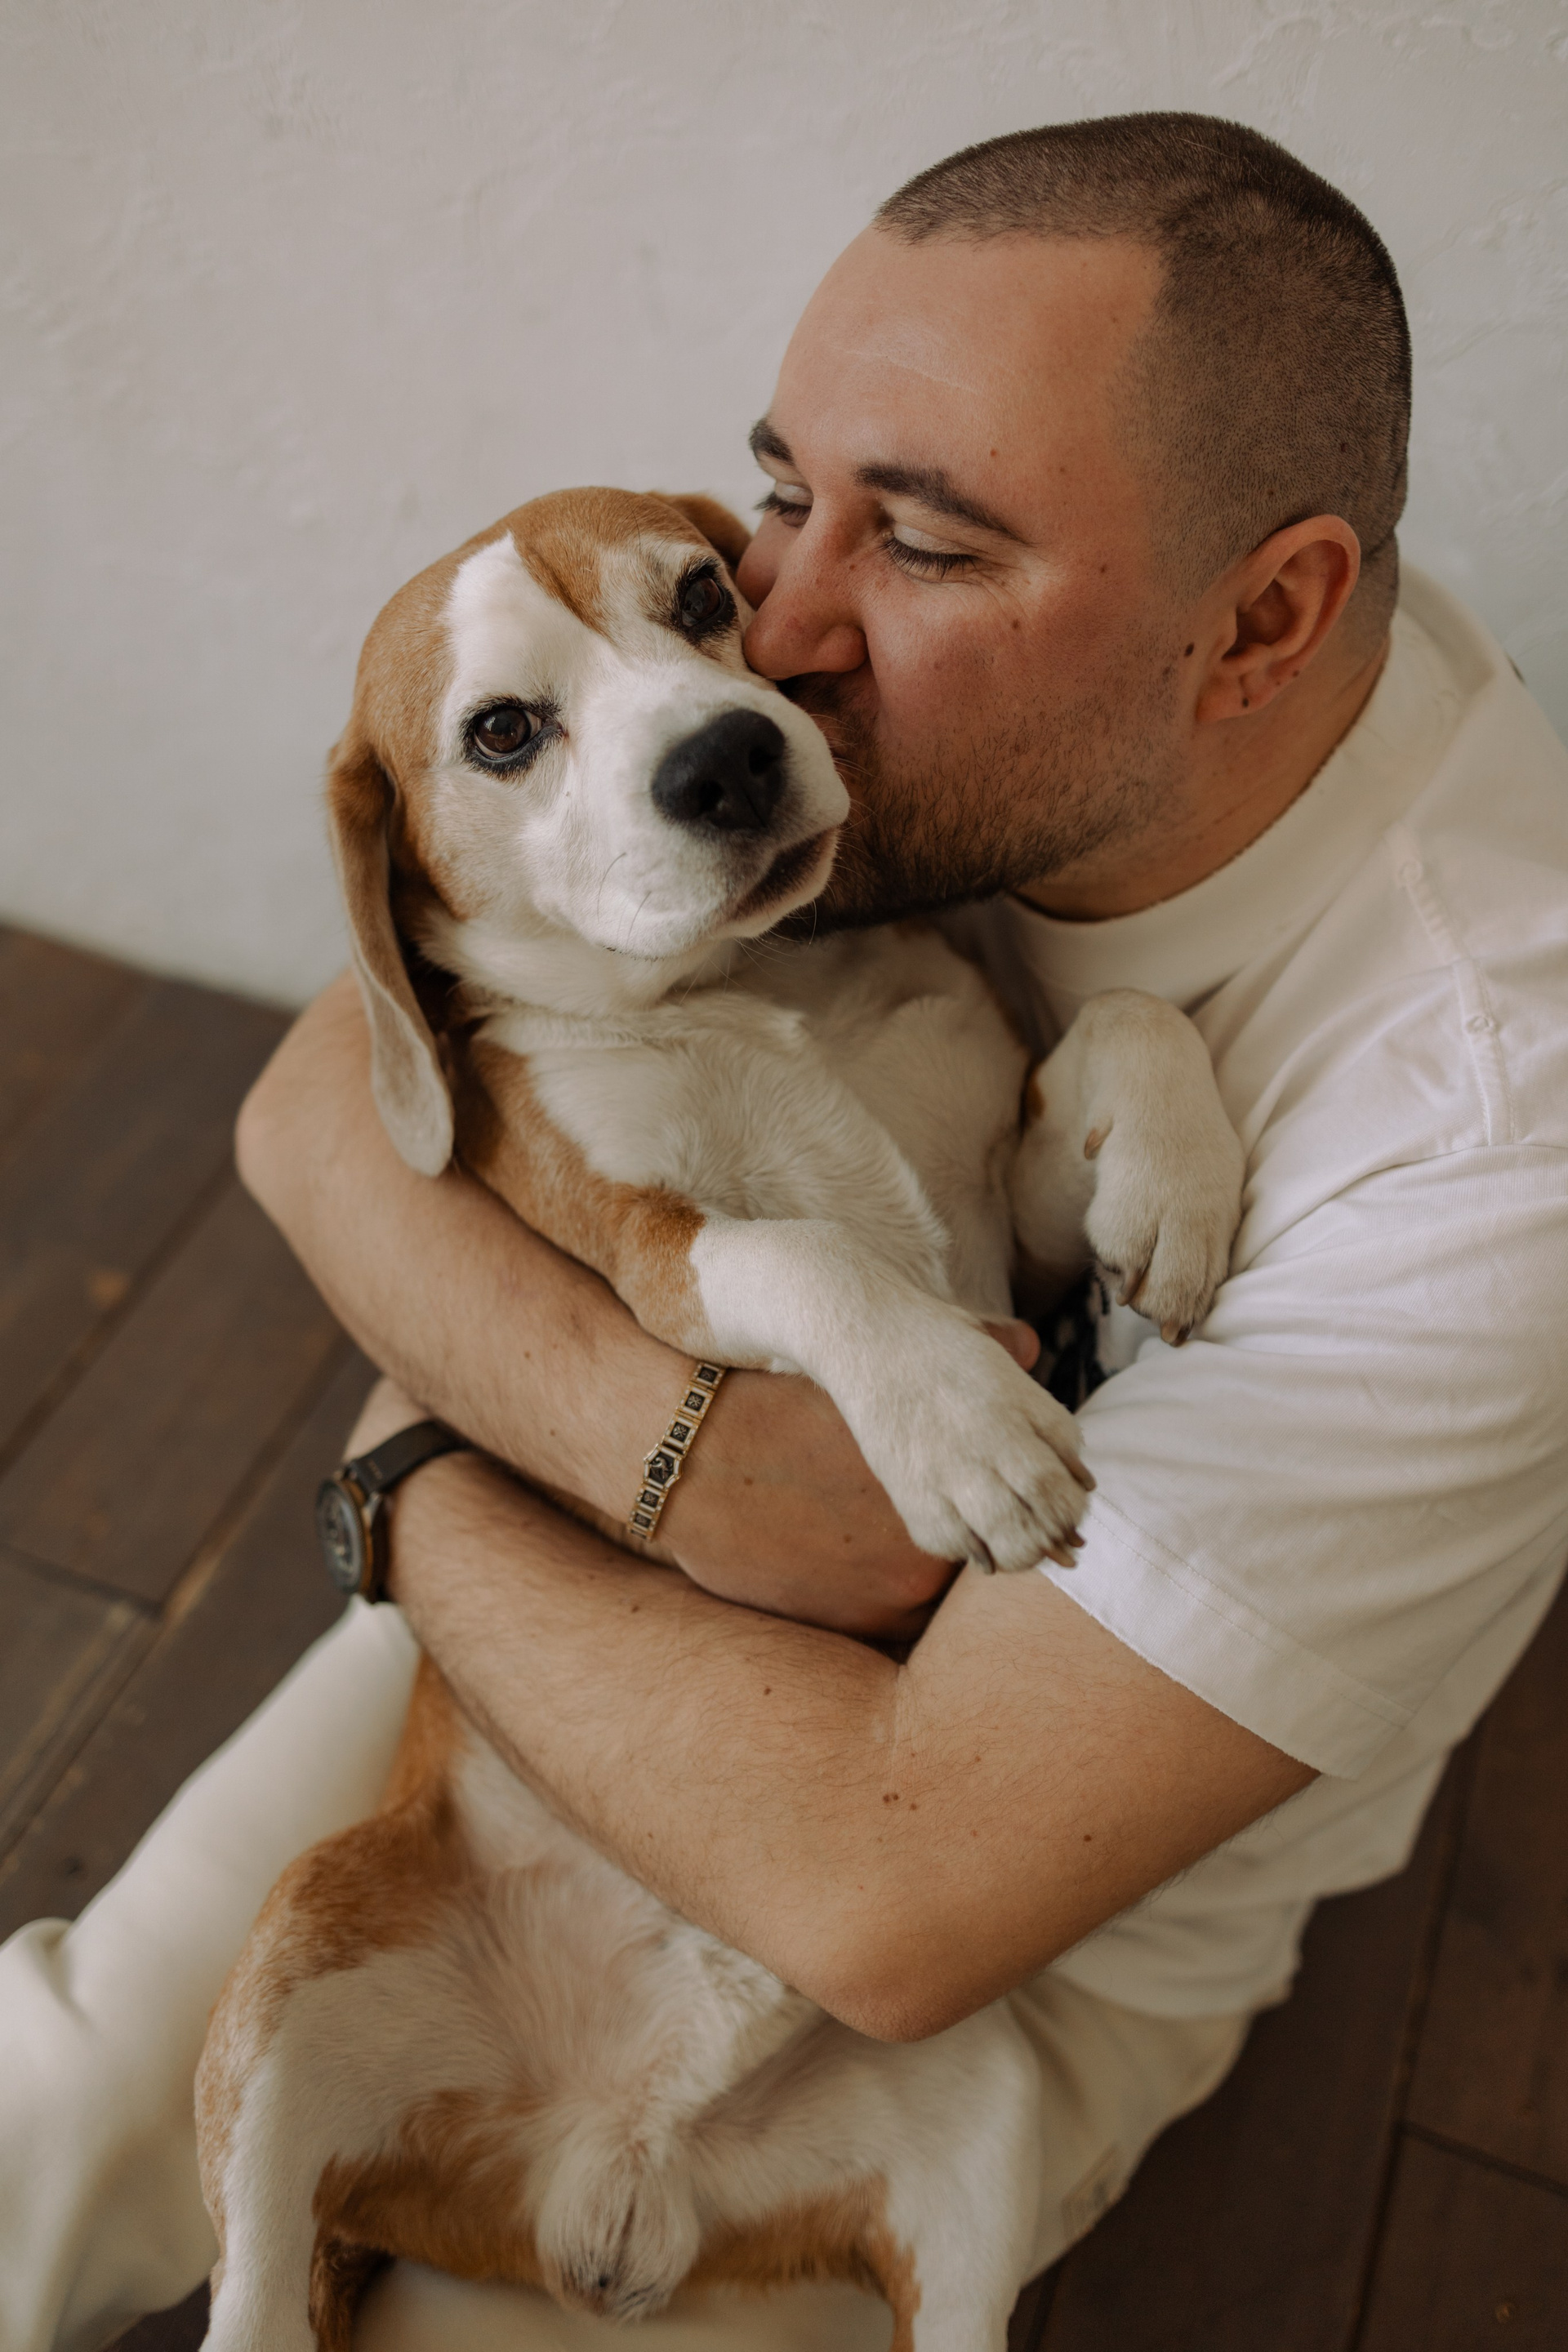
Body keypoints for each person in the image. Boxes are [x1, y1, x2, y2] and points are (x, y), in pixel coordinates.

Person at [5, 110, 1566, 2352]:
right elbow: (314, 1107)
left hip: (981, 1912)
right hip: (568, 1587)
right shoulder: (914, 717)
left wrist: (417, 1466)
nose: (779, 642)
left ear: (1265, 622)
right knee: (51, 2108)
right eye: (772, 497)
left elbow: (889, 1890)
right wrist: (610, 1451)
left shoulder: (1494, 1149)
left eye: (917, 543)